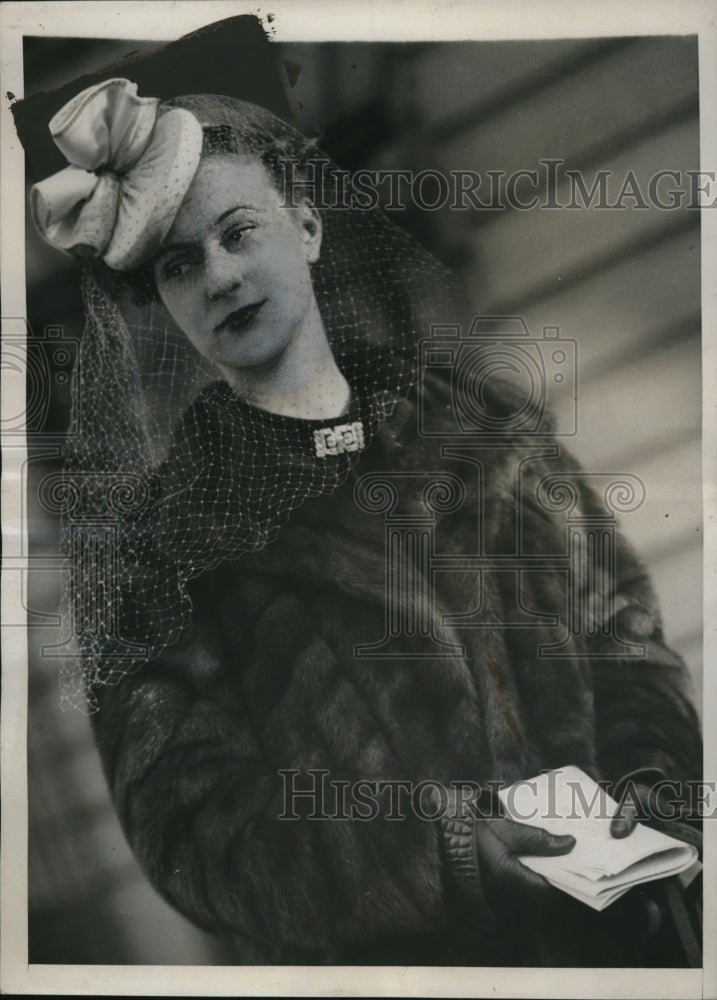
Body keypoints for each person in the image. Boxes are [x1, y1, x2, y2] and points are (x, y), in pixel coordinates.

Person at [30, 78, 702, 966]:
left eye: (239, 232)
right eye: (181, 264)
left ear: (304, 229)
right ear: (166, 300)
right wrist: (442, 855)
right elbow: (196, 834)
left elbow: (625, 640)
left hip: (620, 944)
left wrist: (649, 792)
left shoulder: (484, 427)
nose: (220, 276)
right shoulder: (165, 552)